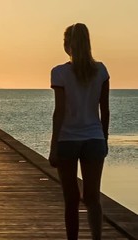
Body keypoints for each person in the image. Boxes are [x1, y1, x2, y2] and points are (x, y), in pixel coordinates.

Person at [49, 23, 110, 240]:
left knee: (71, 199)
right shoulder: (101, 71)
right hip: (94, 138)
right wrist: (105, 139)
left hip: (67, 139)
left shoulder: (59, 73)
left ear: (68, 45)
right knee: (93, 198)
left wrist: (53, 146)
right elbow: (105, 109)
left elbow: (60, 112)